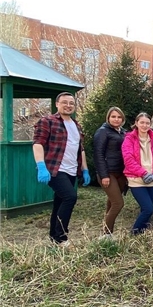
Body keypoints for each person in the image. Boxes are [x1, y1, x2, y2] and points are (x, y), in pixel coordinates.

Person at [32, 92, 90, 247]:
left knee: (59, 202)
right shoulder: (47, 121)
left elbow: (80, 148)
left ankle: (53, 237)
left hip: (72, 170)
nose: (68, 105)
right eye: (65, 102)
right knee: (70, 197)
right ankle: (61, 237)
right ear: (57, 104)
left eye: (71, 103)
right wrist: (41, 166)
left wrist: (85, 170)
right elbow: (38, 143)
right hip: (55, 168)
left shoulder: (76, 125)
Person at [122, 112, 153, 234]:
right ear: (136, 123)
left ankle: (143, 234)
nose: (145, 125)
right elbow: (128, 159)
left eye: (147, 123)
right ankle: (133, 233)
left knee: (145, 209)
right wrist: (143, 173)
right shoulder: (129, 139)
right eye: (142, 122)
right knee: (148, 209)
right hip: (137, 179)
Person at [93, 106, 127, 237]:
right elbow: (98, 154)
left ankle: (106, 231)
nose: (116, 119)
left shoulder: (123, 132)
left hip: (121, 173)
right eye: (113, 116)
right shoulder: (102, 132)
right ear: (108, 117)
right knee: (118, 203)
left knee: (112, 202)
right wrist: (104, 175)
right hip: (108, 172)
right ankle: (107, 235)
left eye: (119, 117)